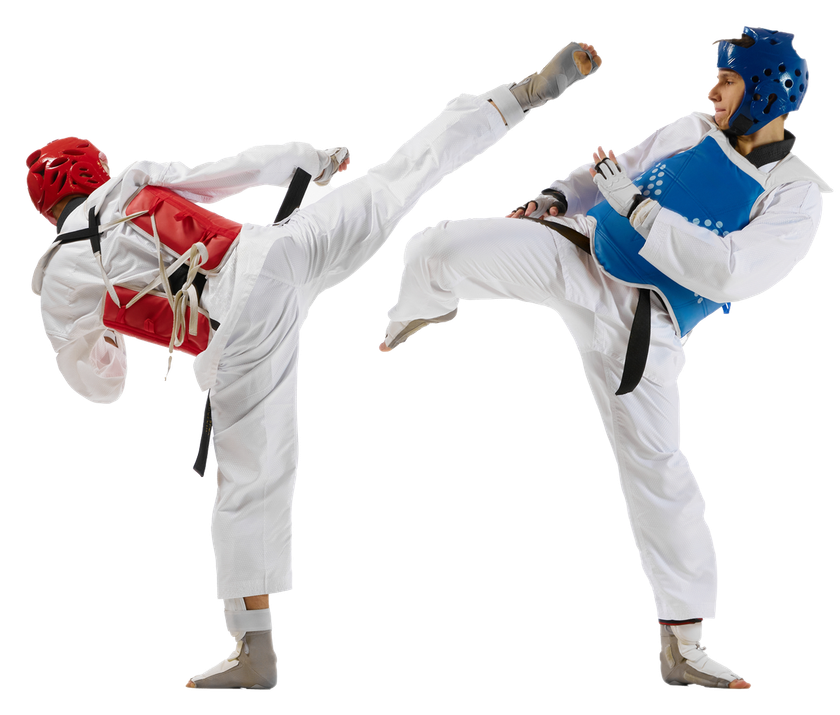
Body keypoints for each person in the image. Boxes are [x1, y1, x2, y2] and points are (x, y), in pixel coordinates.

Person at [26, 40, 603, 690]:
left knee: (249, 479)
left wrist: (110, 346)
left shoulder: (56, 277)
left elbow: (98, 385)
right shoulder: (132, 181)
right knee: (396, 178)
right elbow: (234, 171)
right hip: (276, 251)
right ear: (96, 169)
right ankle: (516, 99)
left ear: (45, 210)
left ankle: (254, 649)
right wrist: (313, 160)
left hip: (234, 325)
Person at [378, 26, 833, 690]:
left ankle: (684, 642)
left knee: (655, 470)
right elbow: (613, 171)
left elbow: (733, 273)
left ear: (768, 91)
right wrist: (560, 197)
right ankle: (424, 306)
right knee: (434, 248)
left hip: (642, 325)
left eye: (728, 81)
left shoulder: (797, 195)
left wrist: (643, 212)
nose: (713, 90)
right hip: (581, 251)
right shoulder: (690, 127)